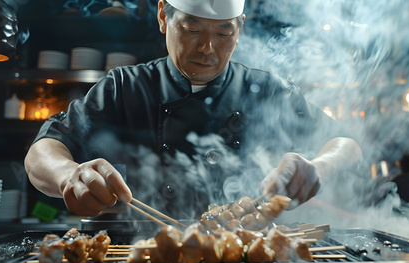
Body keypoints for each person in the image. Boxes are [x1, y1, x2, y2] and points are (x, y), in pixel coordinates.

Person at [24, 0, 362, 218]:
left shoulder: (266, 90)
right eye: (192, 28)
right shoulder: (124, 88)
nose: (208, 48)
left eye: (224, 32)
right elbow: (43, 152)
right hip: (145, 261)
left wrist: (320, 167)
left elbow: (346, 144)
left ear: (240, 27)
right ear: (162, 16)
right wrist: (69, 175)